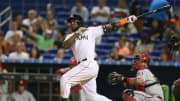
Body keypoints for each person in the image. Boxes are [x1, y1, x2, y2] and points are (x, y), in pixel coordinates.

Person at [60, 14, 137, 101]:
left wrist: (126, 20)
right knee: (92, 97)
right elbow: (65, 45)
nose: (71, 23)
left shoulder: (90, 31)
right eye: (70, 22)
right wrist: (77, 34)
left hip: (88, 64)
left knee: (65, 79)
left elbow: (110, 26)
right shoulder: (70, 36)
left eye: (73, 21)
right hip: (82, 66)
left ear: (79, 22)